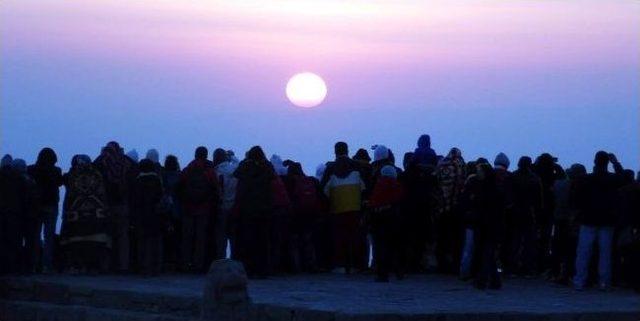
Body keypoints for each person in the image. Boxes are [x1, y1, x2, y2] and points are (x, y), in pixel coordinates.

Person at [573, 151, 625, 291]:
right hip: (607, 220)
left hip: (588, 219)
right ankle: (604, 283)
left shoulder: (585, 179)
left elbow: (577, 199)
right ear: (607, 162)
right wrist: (616, 163)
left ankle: (579, 281)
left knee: (583, 252)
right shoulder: (612, 179)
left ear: (595, 161)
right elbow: (623, 178)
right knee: (605, 253)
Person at [60, 155, 111, 274]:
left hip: (76, 215)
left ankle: (78, 266)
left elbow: (70, 195)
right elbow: (102, 194)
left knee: (76, 242)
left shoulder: (72, 175)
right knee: (93, 242)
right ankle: (92, 267)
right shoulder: (97, 175)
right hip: (95, 214)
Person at [321, 142, 366, 273]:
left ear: (335, 152)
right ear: (347, 150)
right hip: (355, 209)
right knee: (355, 238)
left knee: (339, 238)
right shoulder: (357, 166)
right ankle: (356, 265)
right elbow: (365, 189)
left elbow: (323, 190)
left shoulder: (330, 168)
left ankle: (340, 265)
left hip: (337, 209)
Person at [93, 141, 137, 273]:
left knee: (107, 236)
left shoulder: (102, 162)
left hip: (105, 205)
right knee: (123, 237)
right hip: (123, 204)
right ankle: (123, 265)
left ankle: (106, 265)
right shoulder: (128, 163)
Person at [233, 146, 275, 278]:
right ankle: (264, 269)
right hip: (264, 209)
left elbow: (236, 173)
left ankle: (250, 269)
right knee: (263, 240)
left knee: (249, 240)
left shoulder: (246, 167)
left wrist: (246, 161)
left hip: (248, 209)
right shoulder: (267, 167)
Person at [177, 146, 219, 273]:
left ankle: (184, 264)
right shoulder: (210, 171)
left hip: (188, 208)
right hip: (204, 209)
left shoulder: (188, 169)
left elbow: (179, 187)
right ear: (206, 155)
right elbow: (216, 189)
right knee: (200, 238)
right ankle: (198, 265)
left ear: (195, 154)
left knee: (187, 238)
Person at [27, 147, 63, 273]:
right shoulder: (56, 171)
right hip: (51, 206)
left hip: (36, 206)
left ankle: (33, 264)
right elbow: (59, 183)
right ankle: (46, 265)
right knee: (49, 237)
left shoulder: (31, 169)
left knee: (35, 236)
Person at [507, 156, 542, 277]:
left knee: (515, 242)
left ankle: (513, 268)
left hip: (516, 212)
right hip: (528, 213)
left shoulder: (513, 176)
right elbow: (538, 200)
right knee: (528, 243)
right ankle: (527, 268)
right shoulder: (534, 178)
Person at [368, 165, 405, 282]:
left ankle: (382, 274)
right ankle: (399, 271)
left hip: (379, 221)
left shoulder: (379, 185)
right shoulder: (397, 185)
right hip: (394, 220)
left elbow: (373, 203)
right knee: (395, 246)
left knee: (380, 247)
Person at [473, 163, 505, 290]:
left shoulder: (490, 190)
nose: (478, 173)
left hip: (489, 225)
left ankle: (483, 280)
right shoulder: (489, 188)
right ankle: (494, 281)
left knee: (486, 253)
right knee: (489, 254)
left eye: (479, 171)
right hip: (486, 225)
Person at [434, 148, 466, 274]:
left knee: (442, 238)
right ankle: (455, 264)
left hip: (442, 207)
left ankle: (441, 264)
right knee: (456, 238)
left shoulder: (441, 165)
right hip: (455, 207)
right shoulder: (459, 164)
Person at [284, 160, 319, 273]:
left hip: (295, 215)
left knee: (294, 241)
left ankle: (296, 266)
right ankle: (311, 265)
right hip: (310, 214)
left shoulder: (289, 181)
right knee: (308, 240)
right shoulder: (311, 180)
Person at [131, 159, 165, 275]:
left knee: (142, 242)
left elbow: (134, 200)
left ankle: (143, 267)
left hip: (141, 215)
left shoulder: (137, 181)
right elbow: (161, 197)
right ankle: (156, 267)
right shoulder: (157, 180)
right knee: (155, 242)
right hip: (155, 216)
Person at [213, 149, 238, 260]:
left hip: (221, 207)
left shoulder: (215, 172)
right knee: (234, 236)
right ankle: (234, 258)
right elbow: (239, 163)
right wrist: (232, 156)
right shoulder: (235, 169)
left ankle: (220, 259)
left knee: (221, 237)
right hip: (234, 206)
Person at [161, 155, 182, 271]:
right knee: (177, 237)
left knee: (166, 237)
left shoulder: (163, 176)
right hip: (178, 210)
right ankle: (176, 261)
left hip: (166, 210)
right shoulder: (180, 176)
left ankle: (166, 261)